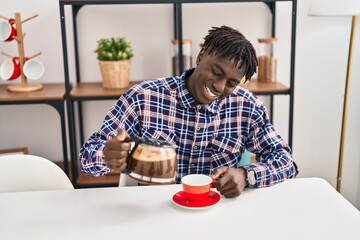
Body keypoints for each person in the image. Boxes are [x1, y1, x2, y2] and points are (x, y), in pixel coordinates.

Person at [79, 25, 298, 198]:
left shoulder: (247, 106)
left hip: (216, 213)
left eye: (231, 83)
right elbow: (87, 158)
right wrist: (107, 156)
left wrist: (246, 175)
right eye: (216, 72)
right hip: (152, 214)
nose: (220, 87)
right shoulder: (143, 97)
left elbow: (286, 161)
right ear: (201, 56)